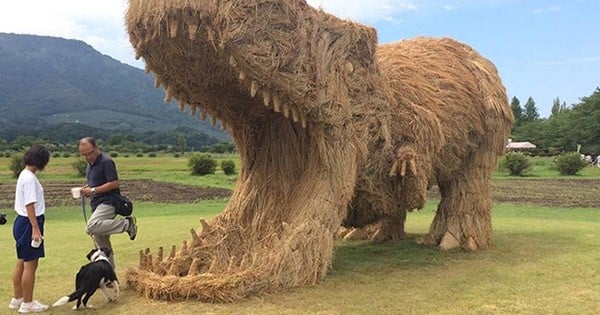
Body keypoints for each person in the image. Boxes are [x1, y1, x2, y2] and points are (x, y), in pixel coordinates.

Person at [78, 137, 137, 269]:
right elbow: (96, 183)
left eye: (90, 153)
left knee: (91, 226)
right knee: (102, 245)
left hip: (109, 202)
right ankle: (110, 275)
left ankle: (127, 224)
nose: (88, 157)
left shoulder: (106, 162)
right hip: (96, 203)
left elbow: (114, 183)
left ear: (97, 147)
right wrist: (86, 189)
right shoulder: (89, 166)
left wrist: (92, 190)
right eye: (84, 155)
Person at [9, 145, 50, 313]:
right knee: (30, 264)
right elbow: (30, 204)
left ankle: (18, 298)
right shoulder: (30, 179)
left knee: (21, 261)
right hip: (29, 223)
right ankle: (28, 303)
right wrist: (35, 228)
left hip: (21, 222)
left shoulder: (24, 174)